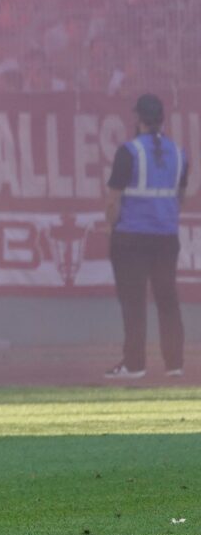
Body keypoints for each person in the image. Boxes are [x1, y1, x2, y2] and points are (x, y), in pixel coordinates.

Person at [103, 93, 188, 380]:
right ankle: (174, 364)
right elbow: (179, 196)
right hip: (166, 238)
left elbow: (113, 200)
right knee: (168, 300)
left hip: (131, 238)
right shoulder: (179, 154)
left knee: (133, 303)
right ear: (162, 120)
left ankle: (134, 364)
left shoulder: (128, 152)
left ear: (138, 118)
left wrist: (112, 226)